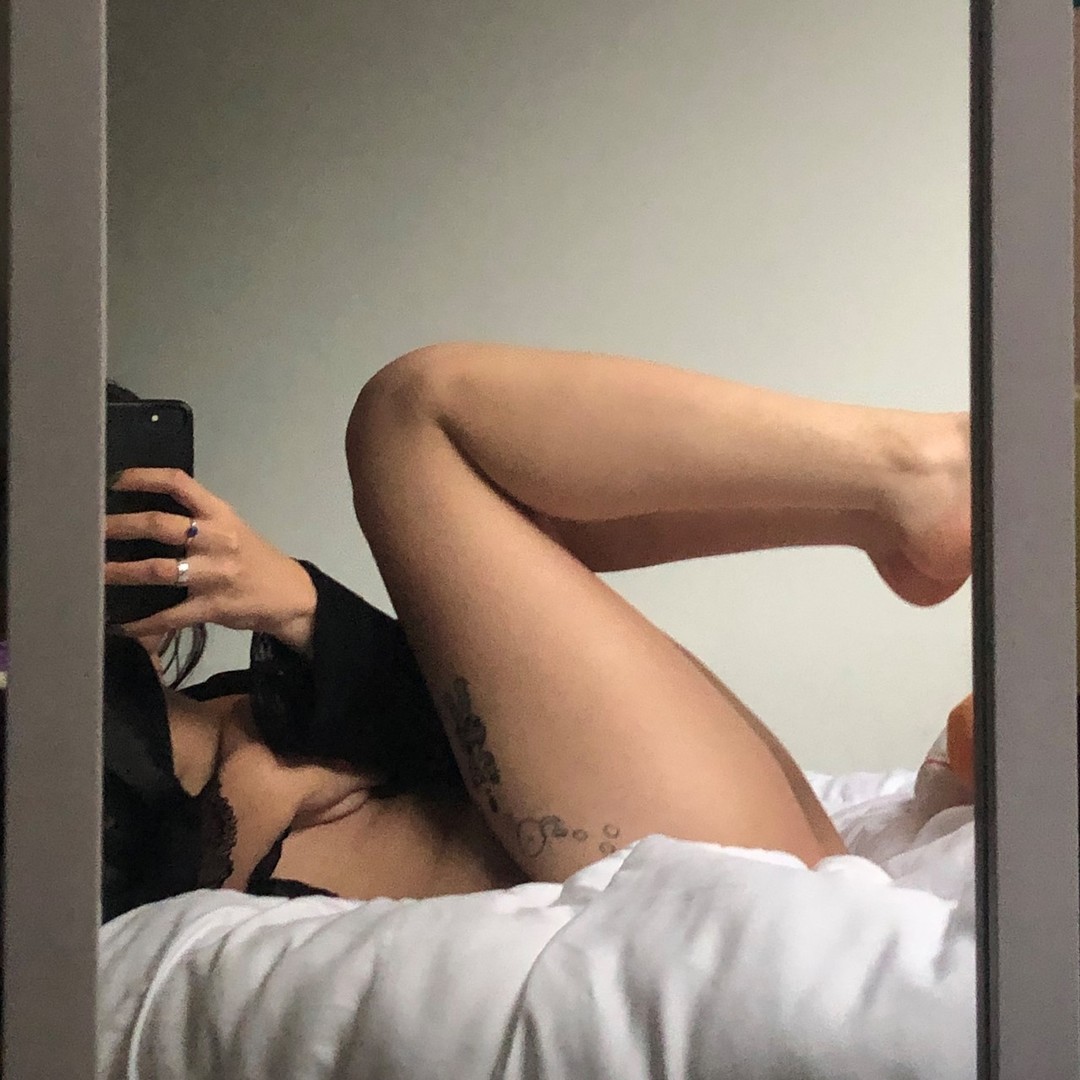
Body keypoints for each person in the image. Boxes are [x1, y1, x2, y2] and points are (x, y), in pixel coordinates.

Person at [104, 342, 971, 919]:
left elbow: (468, 719)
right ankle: (924, 476)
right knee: (409, 418)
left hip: (688, 832)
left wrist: (297, 605)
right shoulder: (79, 779)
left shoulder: (229, 694)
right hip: (681, 873)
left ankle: (895, 508)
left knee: (516, 506)